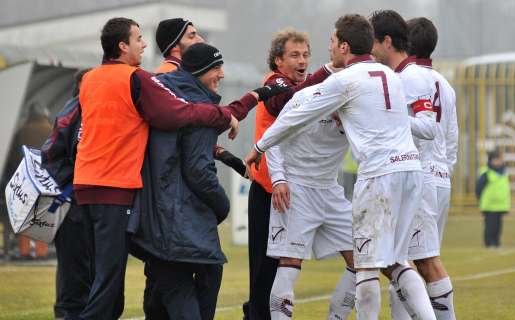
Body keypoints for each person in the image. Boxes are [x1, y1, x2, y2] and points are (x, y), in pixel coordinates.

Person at [74, 17, 270, 320]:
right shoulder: (141, 79)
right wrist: (219, 115)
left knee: (103, 282)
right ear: (123, 46)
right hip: (121, 191)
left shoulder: (90, 78)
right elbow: (177, 114)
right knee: (110, 291)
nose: (143, 44)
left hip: (86, 185)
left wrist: (246, 103)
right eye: (138, 38)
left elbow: (73, 126)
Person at [245, 14, 435, 320]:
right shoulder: (391, 77)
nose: (324, 51)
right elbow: (287, 121)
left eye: (331, 43)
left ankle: (338, 316)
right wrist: (278, 176)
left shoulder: (341, 84)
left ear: (344, 47)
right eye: (297, 54)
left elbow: (290, 120)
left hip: (375, 175)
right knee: (395, 261)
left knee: (366, 264)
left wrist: (257, 148)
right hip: (403, 171)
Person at [131, 43, 276, 320]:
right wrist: (222, 206)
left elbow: (220, 120)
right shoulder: (197, 105)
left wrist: (255, 95)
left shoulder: (170, 95)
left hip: (159, 216)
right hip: (177, 220)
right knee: (188, 284)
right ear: (199, 71)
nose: (222, 74)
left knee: (173, 284)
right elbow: (198, 170)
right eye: (216, 68)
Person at [369, 10, 455, 319]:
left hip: (419, 176)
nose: (370, 49)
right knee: (401, 260)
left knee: (423, 261)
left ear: (388, 41)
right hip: (425, 174)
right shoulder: (425, 79)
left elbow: (428, 127)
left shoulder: (412, 78)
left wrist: (390, 119)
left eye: (373, 41)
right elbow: (450, 137)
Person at [245, 27, 334, 320]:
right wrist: (327, 72)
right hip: (269, 187)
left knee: (282, 263)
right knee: (264, 266)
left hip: (289, 189)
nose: (302, 60)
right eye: (294, 54)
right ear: (278, 60)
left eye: (306, 55)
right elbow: (283, 103)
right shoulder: (275, 83)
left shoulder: (303, 86)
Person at [264, 84, 355, 319]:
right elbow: (273, 136)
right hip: (297, 188)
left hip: (330, 190)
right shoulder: (305, 100)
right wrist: (278, 179)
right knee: (290, 261)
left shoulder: (358, 109)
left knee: (364, 258)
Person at [41, 69, 94, 319]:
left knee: (82, 270)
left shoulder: (77, 110)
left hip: (77, 201)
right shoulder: (76, 112)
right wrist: (73, 182)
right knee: (75, 273)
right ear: (82, 86)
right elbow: (50, 154)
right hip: (73, 203)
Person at [7, 103, 52, 260]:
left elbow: (12, 157)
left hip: (25, 180)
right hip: (46, 181)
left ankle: (24, 251)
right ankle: (41, 252)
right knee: (42, 217)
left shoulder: (22, 131)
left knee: (24, 216)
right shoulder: (51, 130)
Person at [476, 150, 510, 248]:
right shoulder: (486, 173)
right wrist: (480, 199)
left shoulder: (504, 172)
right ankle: (489, 243)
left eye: (500, 159)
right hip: (489, 205)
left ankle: (496, 242)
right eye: (496, 159)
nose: (499, 161)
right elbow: (479, 187)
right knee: (490, 226)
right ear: (491, 161)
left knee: (498, 226)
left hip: (500, 205)